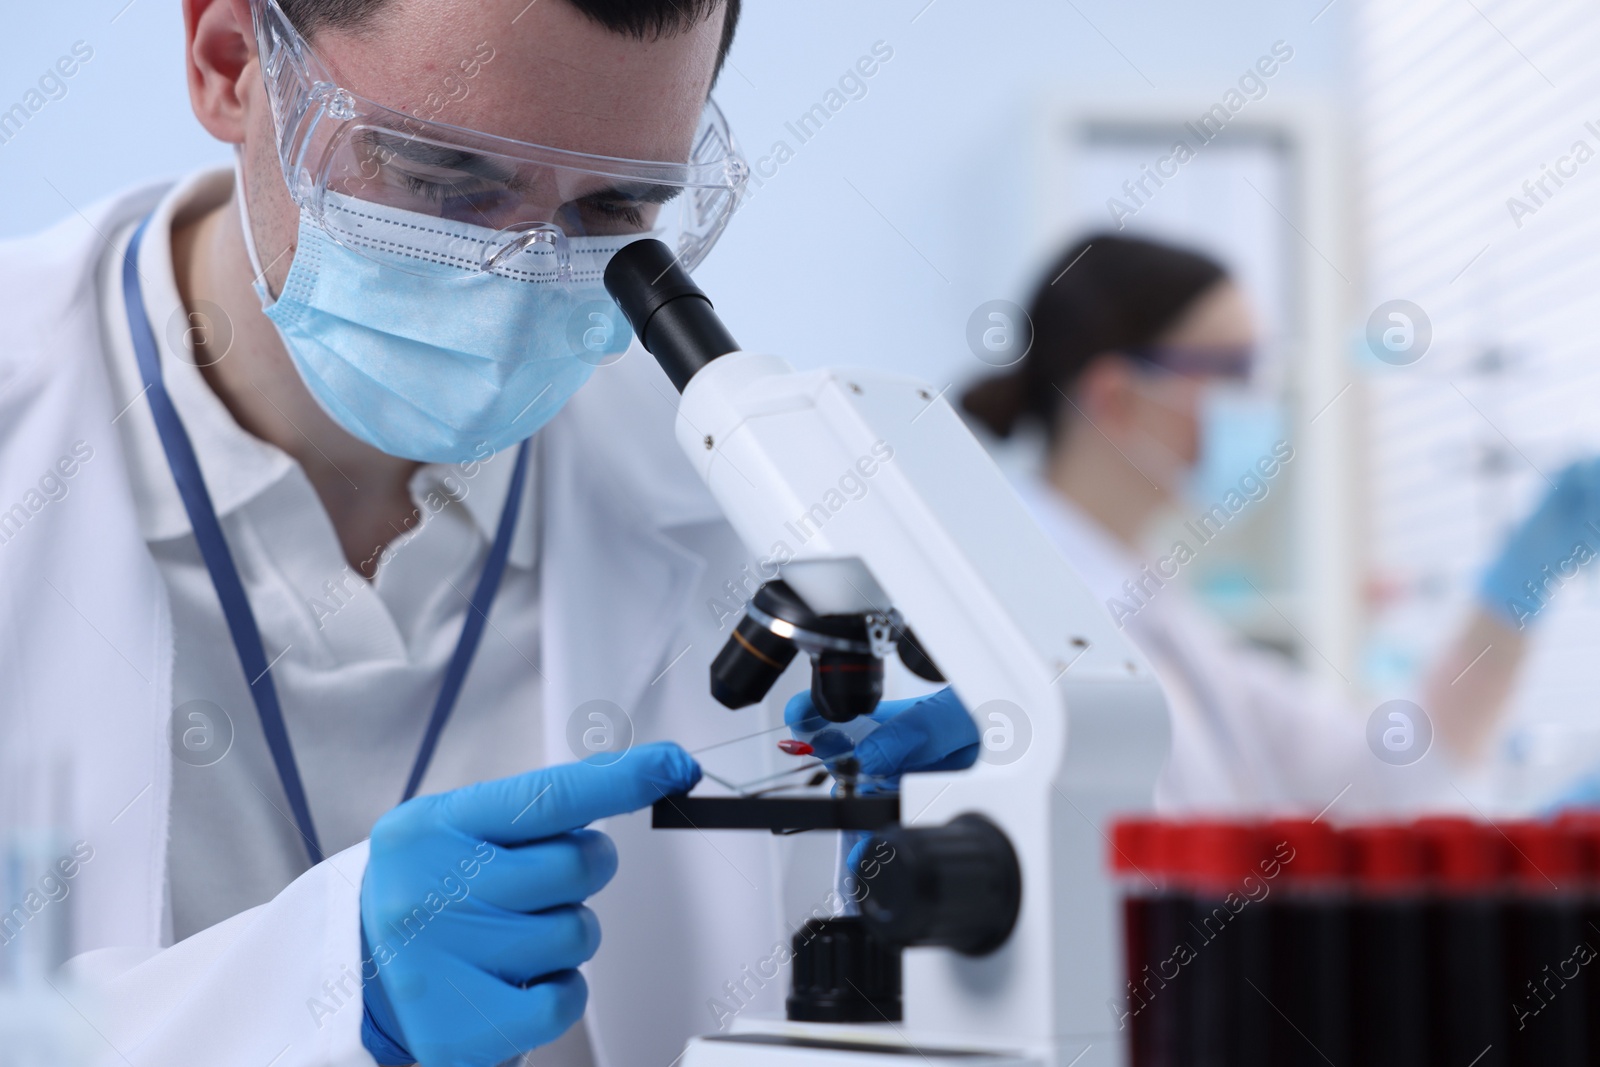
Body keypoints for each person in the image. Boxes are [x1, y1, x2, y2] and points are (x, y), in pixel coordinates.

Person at [0, 1, 899, 1065]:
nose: (516, 276)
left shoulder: (752, 508)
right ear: (230, 61)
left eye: (615, 204)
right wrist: (313, 991)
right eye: (437, 178)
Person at [939, 234, 1600, 814]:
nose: (1257, 403)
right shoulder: (1012, 608)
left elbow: (1381, 772)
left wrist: (1516, 591)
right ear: (1115, 396)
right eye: (1232, 371)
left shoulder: (1163, 616)